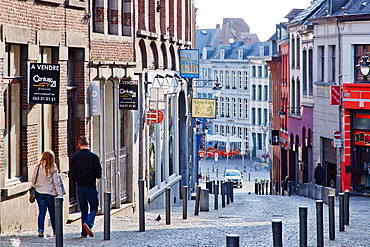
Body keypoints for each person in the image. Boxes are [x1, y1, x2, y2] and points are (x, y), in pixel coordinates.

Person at [69, 136, 102, 238]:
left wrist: (78, 179)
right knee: (94, 207)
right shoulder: (94, 157)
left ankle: (84, 233)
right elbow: (98, 174)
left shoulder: (74, 157)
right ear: (88, 143)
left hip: (80, 186)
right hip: (90, 186)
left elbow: (72, 174)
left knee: (83, 209)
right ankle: (89, 223)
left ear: (79, 145)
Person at [29, 150, 65, 237]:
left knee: (42, 212)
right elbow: (56, 182)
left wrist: (32, 187)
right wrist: (60, 194)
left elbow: (33, 179)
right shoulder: (53, 167)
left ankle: (40, 230)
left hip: (40, 193)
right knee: (52, 212)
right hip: (50, 193)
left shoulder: (38, 166)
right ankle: (55, 230)